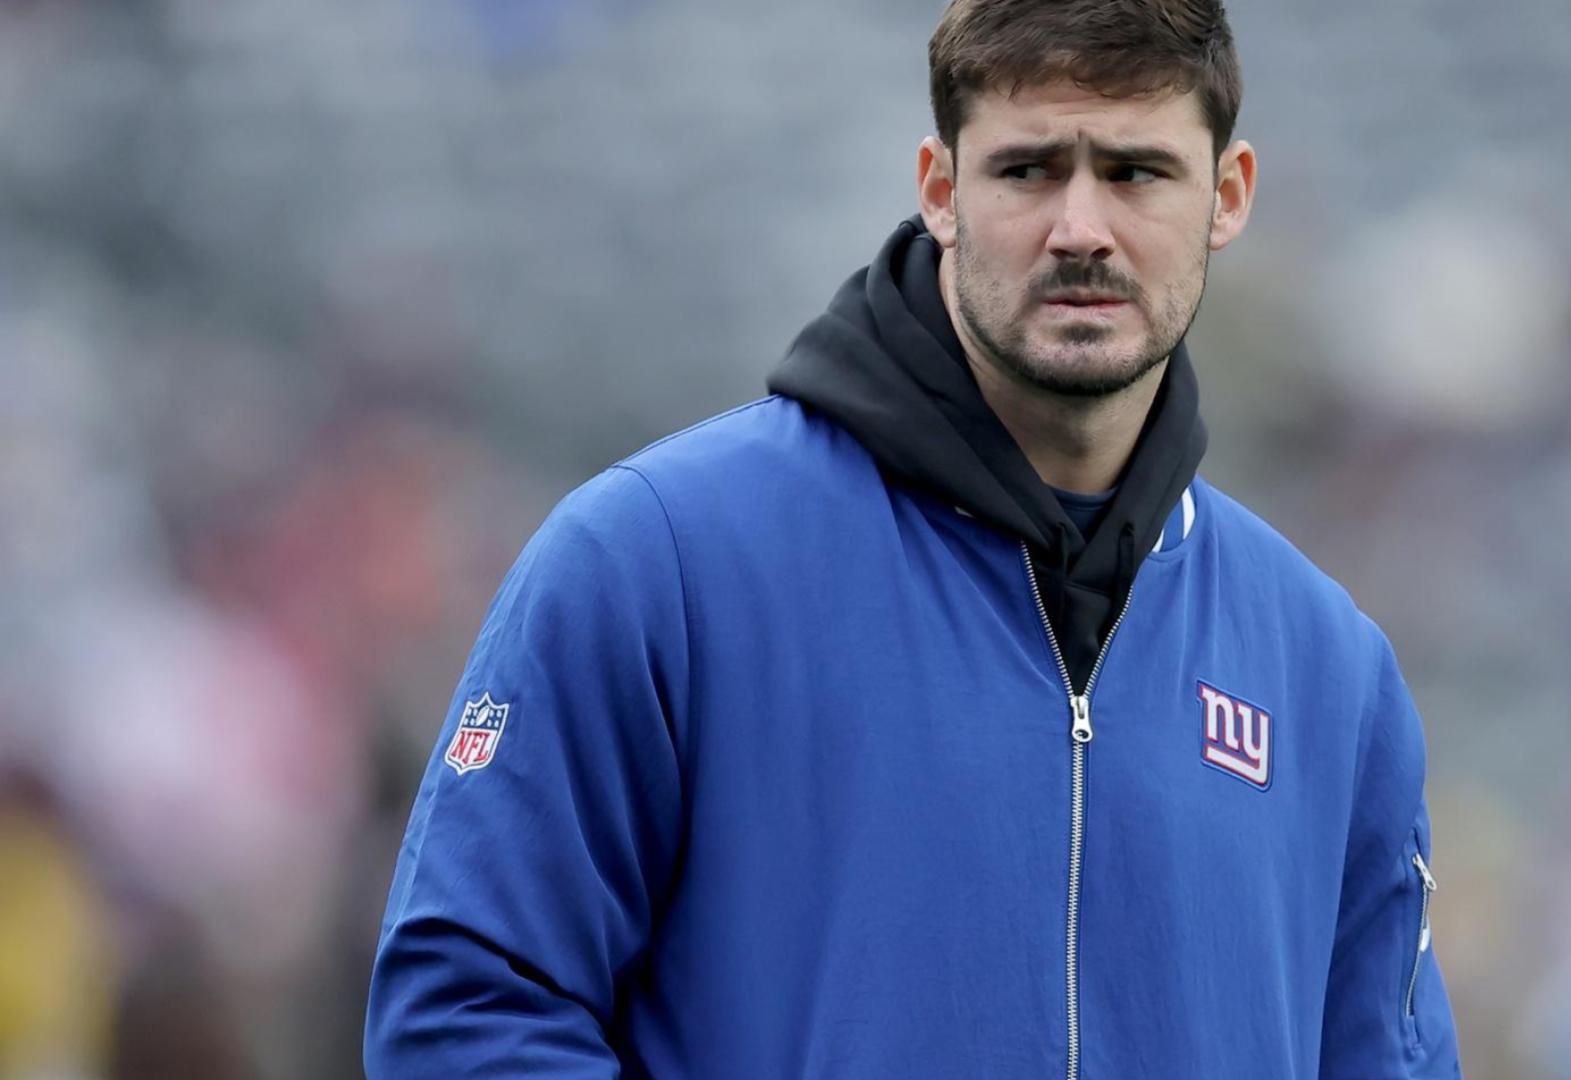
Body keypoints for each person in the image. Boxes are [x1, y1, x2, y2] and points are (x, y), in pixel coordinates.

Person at [364, 1, 1464, 1076]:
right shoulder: (659, 562)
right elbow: (464, 1015)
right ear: (940, 188)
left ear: (1227, 195)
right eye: (1029, 168)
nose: (1081, 228)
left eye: (1137, 171)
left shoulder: (1331, 672)